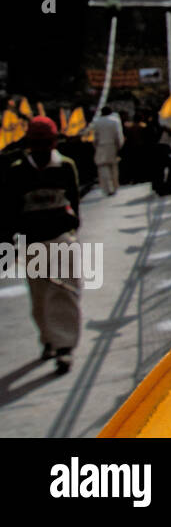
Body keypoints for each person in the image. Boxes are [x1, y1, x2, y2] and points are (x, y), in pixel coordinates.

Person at [0, 116, 82, 374]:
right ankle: (48, 338)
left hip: (60, 237)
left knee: (65, 291)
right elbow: (9, 211)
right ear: (29, 145)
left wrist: (72, 227)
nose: (42, 148)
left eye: (46, 142)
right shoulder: (17, 172)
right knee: (40, 297)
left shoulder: (66, 167)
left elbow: (74, 201)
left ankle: (64, 346)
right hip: (31, 242)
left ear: (54, 142)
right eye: (37, 143)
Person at [90, 106, 125, 196]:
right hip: (112, 145)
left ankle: (107, 188)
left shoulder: (97, 122)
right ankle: (115, 187)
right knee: (114, 168)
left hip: (101, 146)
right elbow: (118, 135)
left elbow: (95, 137)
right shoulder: (115, 121)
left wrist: (95, 147)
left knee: (103, 167)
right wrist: (119, 146)